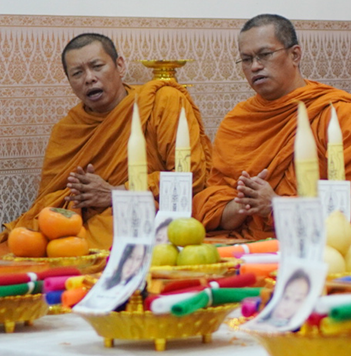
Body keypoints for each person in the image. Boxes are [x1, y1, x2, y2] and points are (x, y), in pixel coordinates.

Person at [2, 34, 211, 249]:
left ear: (119, 66)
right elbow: (50, 200)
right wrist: (80, 193)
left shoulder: (163, 101)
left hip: (143, 214)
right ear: (69, 81)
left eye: (97, 66)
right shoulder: (67, 130)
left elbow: (190, 178)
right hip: (79, 222)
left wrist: (115, 193)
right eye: (77, 73)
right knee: (27, 240)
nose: (89, 78)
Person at [193, 15, 351, 239]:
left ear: (295, 55)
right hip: (245, 244)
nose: (255, 66)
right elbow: (212, 203)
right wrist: (243, 203)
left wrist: (276, 206)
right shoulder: (238, 122)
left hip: (317, 241)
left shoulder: (338, 113)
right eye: (246, 59)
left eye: (264, 55)